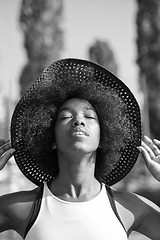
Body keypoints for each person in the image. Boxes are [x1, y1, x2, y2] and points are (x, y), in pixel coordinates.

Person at [0, 58, 160, 239]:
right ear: (50, 139)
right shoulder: (23, 207)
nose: (78, 120)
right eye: (65, 117)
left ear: (103, 138)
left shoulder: (129, 207)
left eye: (90, 116)